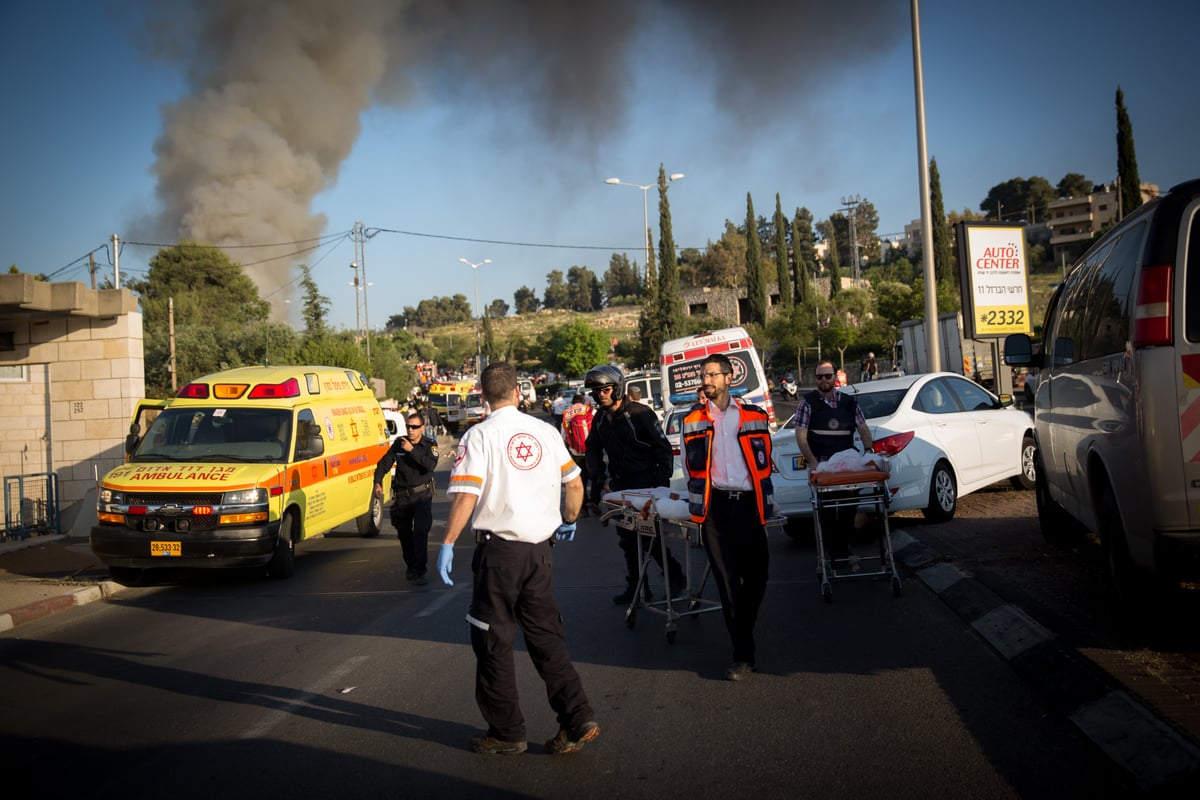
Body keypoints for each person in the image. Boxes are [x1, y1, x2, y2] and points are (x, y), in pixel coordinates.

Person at [435, 361, 600, 756]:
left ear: (483, 394)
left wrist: (447, 542)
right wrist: (569, 519)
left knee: (492, 641)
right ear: (518, 392)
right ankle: (577, 718)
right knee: (546, 637)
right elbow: (574, 483)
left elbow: (466, 495)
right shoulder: (545, 431)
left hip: (500, 555)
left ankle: (507, 731)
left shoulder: (479, 436)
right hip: (540, 553)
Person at [681, 353, 775, 681]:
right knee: (727, 583)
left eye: (711, 375)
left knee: (759, 575)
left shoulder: (755, 415)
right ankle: (742, 655)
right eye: (703, 376)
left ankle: (743, 627)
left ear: (728, 377)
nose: (705, 381)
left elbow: (764, 460)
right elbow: (688, 468)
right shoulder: (692, 419)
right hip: (716, 510)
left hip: (749, 506)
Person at [583, 364, 686, 604]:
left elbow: (663, 450)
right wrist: (597, 484)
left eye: (606, 389)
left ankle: (675, 578)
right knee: (627, 540)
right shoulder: (600, 418)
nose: (601, 395)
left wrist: (661, 486)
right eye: (597, 391)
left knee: (650, 538)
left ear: (617, 388)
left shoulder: (640, 413)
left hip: (646, 484)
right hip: (621, 488)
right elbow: (592, 449)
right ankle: (638, 588)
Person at [794, 359, 874, 570]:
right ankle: (834, 552)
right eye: (820, 376)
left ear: (835, 377)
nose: (824, 380)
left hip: (847, 468)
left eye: (827, 376)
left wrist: (869, 452)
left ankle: (842, 549)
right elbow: (801, 436)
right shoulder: (807, 403)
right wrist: (812, 462)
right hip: (823, 467)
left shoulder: (849, 403)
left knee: (848, 511)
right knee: (826, 513)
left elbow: (863, 429)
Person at [373, 410, 440, 584]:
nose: (411, 430)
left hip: (421, 496)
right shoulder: (399, 444)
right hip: (403, 497)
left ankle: (419, 570)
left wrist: (412, 451)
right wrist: (377, 482)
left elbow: (430, 465)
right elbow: (383, 464)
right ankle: (411, 566)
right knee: (404, 535)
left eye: (415, 427)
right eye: (408, 426)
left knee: (420, 533)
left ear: (422, 428)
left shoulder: (429, 445)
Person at [561, 393, 594, 515]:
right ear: (583, 401)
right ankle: (595, 500)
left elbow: (563, 435)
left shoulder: (566, 414)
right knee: (597, 475)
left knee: (582, 480)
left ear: (572, 402)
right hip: (591, 450)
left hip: (575, 452)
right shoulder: (589, 410)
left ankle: (584, 508)